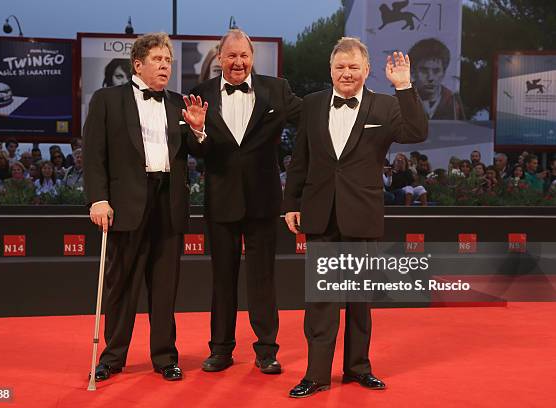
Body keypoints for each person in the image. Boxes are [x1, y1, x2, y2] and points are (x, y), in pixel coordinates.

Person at [283, 37, 428, 398]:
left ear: (366, 70)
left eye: (353, 67)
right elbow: (300, 159)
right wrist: (291, 203)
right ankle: (316, 375)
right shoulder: (313, 104)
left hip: (361, 214)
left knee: (360, 300)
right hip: (320, 214)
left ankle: (358, 368)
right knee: (321, 301)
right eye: (339, 67)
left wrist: (404, 87)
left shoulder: (384, 105)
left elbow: (417, 132)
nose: (346, 73)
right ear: (330, 70)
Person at [83, 32, 207, 383]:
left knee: (165, 286)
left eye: (168, 61)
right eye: (158, 60)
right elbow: (94, 154)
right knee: (122, 284)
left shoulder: (179, 103)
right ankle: (112, 357)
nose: (165, 66)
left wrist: (198, 131)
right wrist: (99, 198)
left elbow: (198, 155)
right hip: (125, 204)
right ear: (138, 64)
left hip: (168, 200)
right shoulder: (107, 99)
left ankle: (165, 357)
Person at [189, 29, 302, 375]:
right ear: (220, 58)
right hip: (221, 201)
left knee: (263, 279)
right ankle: (221, 349)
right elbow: (195, 151)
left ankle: (266, 350)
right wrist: (198, 131)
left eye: (244, 56)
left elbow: (311, 118)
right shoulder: (200, 93)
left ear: (253, 58)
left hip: (263, 201)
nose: (238, 62)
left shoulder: (276, 89)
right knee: (222, 279)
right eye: (231, 55)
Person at [408, 38, 465, 120]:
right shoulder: (399, 102)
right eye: (424, 70)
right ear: (412, 71)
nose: (430, 78)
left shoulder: (453, 103)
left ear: (444, 73)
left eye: (436, 71)